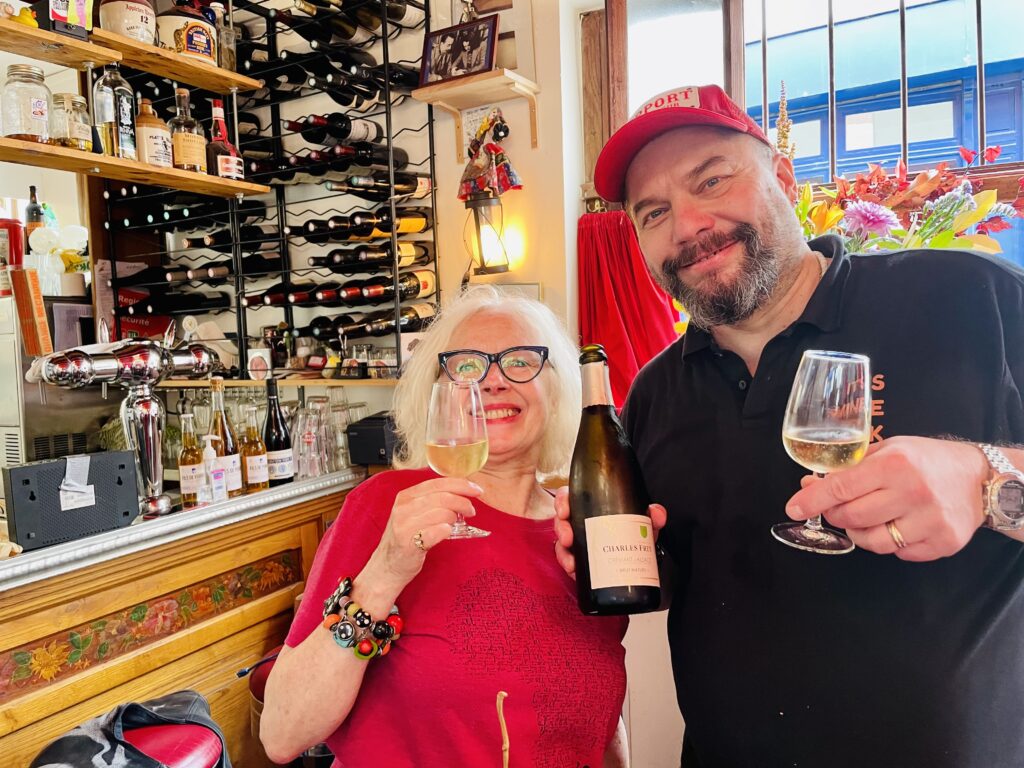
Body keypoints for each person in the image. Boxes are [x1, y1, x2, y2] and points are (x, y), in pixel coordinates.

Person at [554, 83, 1024, 767]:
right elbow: (693, 571)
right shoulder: (653, 394)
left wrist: (988, 481)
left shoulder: (969, 296)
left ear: (781, 176)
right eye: (654, 212)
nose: (688, 225)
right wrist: (633, 562)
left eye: (711, 180)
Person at [260, 286, 630, 767]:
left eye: (520, 361)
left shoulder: (582, 527)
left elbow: (602, 718)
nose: (493, 382)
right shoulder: (386, 507)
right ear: (436, 394)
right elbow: (282, 733)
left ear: (558, 389)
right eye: (467, 366)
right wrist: (384, 574)